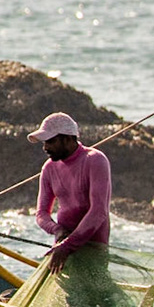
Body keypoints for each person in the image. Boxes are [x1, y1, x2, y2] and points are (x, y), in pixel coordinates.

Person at [29, 112, 112, 274]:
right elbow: (41, 214)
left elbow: (98, 211)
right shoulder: (49, 168)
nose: (45, 148)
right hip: (62, 249)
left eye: (51, 141)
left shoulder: (95, 160)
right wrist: (57, 230)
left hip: (92, 249)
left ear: (67, 139)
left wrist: (68, 245)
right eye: (44, 142)